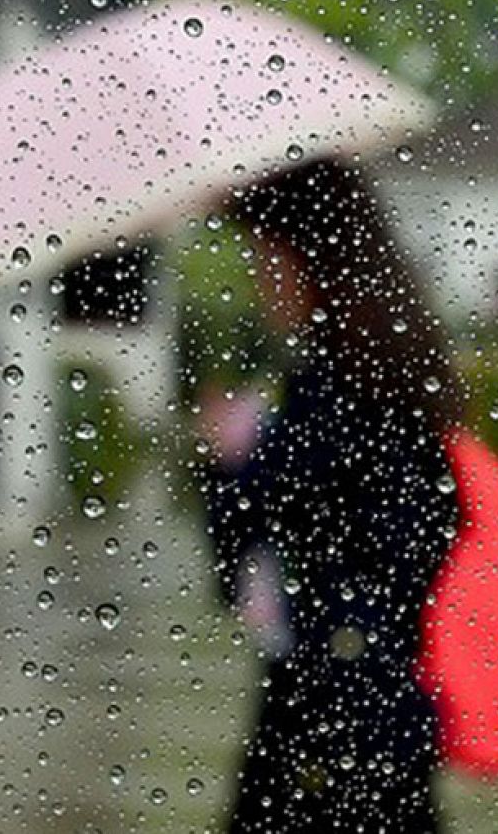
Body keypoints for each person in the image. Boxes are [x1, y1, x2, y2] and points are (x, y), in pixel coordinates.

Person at [200, 158, 461, 833]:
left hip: (330, 717)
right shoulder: (392, 373)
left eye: (267, 257)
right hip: (382, 708)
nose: (260, 280)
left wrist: (228, 464)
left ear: (311, 261)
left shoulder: (333, 392)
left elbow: (244, 548)